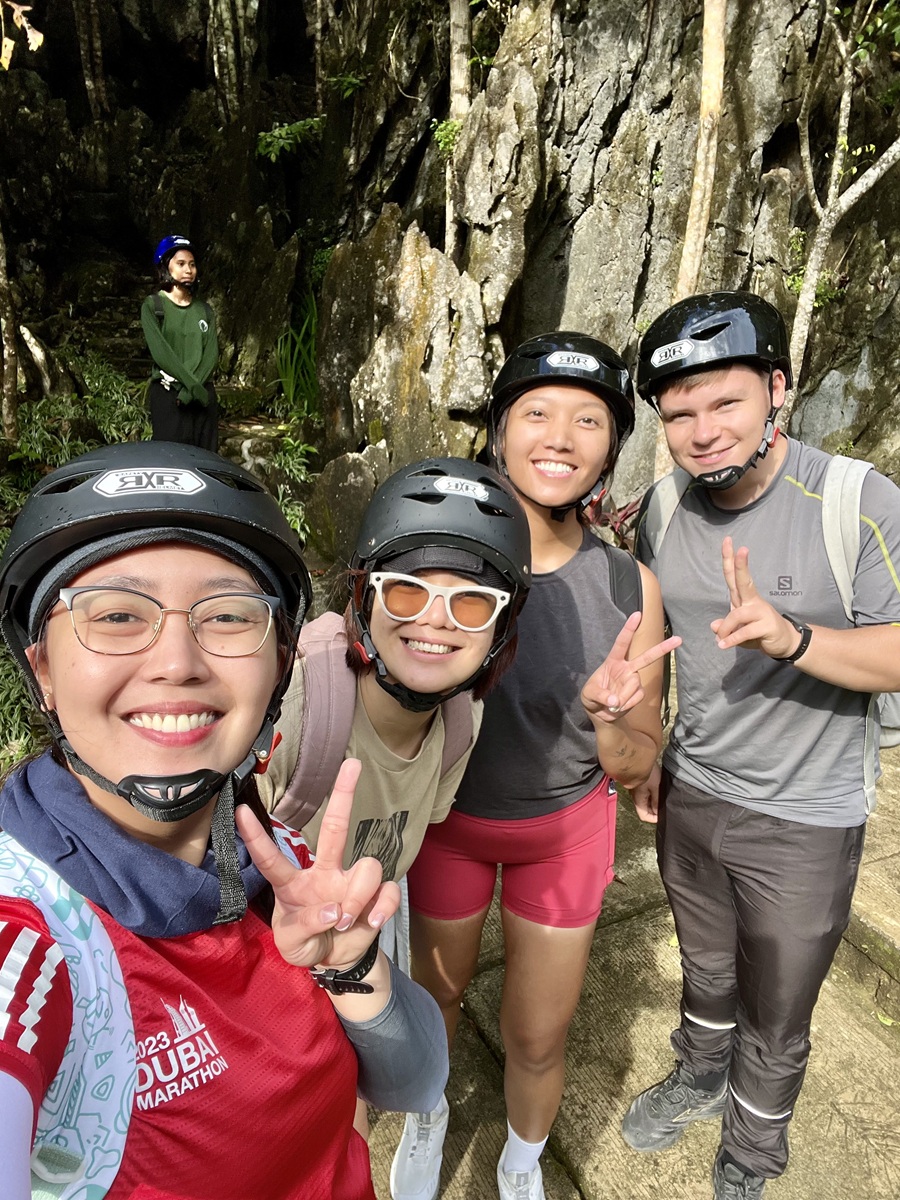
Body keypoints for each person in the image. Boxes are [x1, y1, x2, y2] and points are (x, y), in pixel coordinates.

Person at [0, 440, 447, 1200]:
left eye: (230, 615)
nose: (177, 661)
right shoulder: (32, 939)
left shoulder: (280, 854)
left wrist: (348, 967)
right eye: (115, 614)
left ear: (278, 665)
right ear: (42, 668)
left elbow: (416, 1081)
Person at [622, 291, 900, 1199]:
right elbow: (655, 635)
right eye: (679, 414)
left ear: (778, 388)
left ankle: (753, 1150)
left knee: (778, 1007)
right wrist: (648, 745)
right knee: (704, 966)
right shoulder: (663, 508)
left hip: (806, 816)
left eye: (726, 402)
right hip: (693, 789)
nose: (703, 431)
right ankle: (700, 1077)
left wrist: (797, 640)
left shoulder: (855, 501)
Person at [391, 334, 679, 1200]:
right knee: (433, 1002)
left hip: (565, 834)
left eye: (589, 419)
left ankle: (521, 1159)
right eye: (538, 413)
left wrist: (611, 719)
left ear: (612, 445)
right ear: (500, 431)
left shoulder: (632, 587)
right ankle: (430, 1113)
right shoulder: (436, 552)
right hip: (448, 824)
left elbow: (637, 762)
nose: (561, 436)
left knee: (538, 1036)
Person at [258, 457, 532, 975]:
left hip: (365, 935)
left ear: (501, 628)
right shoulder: (291, 702)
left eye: (472, 603)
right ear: (364, 594)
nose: (435, 619)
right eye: (407, 591)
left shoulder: (461, 721)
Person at [141, 234, 219, 450]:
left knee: (207, 464)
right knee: (170, 463)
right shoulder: (153, 306)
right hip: (170, 395)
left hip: (202, 397)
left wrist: (193, 391)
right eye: (181, 264)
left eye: (192, 265)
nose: (189, 270)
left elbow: (211, 355)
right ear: (167, 267)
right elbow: (162, 353)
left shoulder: (205, 311)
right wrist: (189, 388)